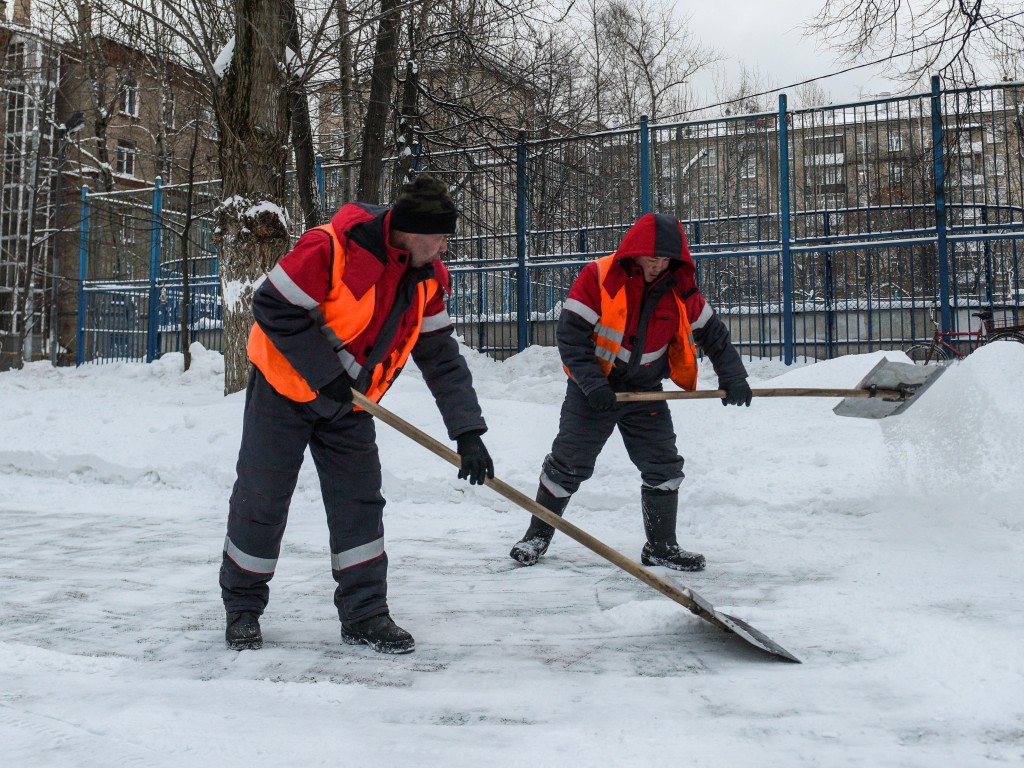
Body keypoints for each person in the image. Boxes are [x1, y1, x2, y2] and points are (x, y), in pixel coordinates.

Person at [220, 174, 494, 655]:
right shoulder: (330, 249)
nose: (446, 246)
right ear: (413, 231)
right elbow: (271, 305)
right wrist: (325, 374)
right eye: (442, 236)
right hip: (284, 390)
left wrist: (467, 431)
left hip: (349, 405)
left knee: (359, 504)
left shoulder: (427, 278)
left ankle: (365, 614)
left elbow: (441, 357)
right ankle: (242, 607)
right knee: (262, 499)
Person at [510, 212, 752, 572]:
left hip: (645, 392)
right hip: (593, 389)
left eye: (665, 260)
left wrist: (734, 377)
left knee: (664, 466)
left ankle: (660, 546)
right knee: (568, 464)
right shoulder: (599, 276)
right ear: (634, 252)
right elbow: (571, 336)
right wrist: (593, 384)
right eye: (651, 258)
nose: (657, 266)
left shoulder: (680, 287)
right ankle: (536, 536)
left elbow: (713, 335)